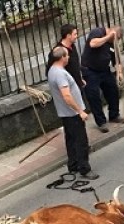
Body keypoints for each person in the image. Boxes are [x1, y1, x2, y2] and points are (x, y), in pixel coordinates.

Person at [47, 46, 99, 180]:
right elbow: (67, 96)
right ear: (62, 58)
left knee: (70, 140)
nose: (69, 57)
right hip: (72, 114)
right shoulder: (59, 74)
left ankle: (73, 164)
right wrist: (80, 111)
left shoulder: (52, 70)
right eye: (67, 55)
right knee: (81, 141)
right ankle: (84, 169)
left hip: (65, 113)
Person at [81, 25, 124, 133]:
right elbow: (93, 44)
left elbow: (117, 61)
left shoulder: (113, 44)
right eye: (113, 39)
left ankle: (114, 115)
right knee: (94, 96)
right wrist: (108, 37)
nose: (113, 41)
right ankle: (101, 122)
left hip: (104, 70)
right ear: (110, 32)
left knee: (113, 90)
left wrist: (119, 73)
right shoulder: (98, 32)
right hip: (90, 70)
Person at [46, 24, 84, 88]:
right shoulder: (57, 51)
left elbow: (74, 66)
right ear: (68, 36)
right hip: (68, 88)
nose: (76, 36)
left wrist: (80, 79)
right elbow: (50, 72)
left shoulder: (72, 45)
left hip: (78, 85)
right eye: (75, 34)